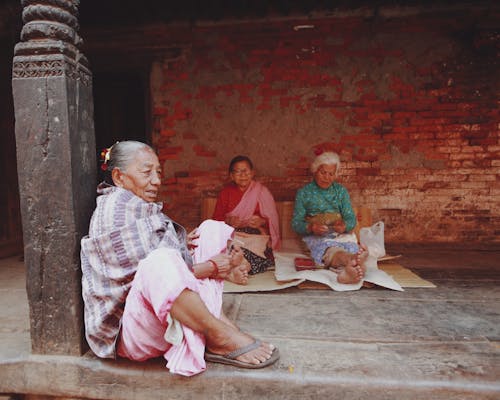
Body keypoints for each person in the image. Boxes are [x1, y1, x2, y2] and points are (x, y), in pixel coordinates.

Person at [80, 141, 279, 377]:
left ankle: (217, 322)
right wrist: (212, 267)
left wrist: (184, 244)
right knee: (159, 262)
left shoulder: (137, 204)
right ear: (119, 177)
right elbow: (146, 276)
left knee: (210, 230)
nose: (156, 180)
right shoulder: (117, 209)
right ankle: (218, 336)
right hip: (131, 332)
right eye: (146, 172)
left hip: (157, 312)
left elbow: (159, 251)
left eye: (158, 172)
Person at [291, 151, 368, 284]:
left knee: (350, 246)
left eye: (331, 174)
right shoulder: (304, 193)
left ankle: (351, 266)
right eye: (323, 172)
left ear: (335, 175)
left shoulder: (340, 191)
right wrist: (311, 227)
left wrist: (344, 226)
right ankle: (352, 262)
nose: (326, 177)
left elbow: (351, 219)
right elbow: (296, 223)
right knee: (331, 250)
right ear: (315, 170)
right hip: (316, 237)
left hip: (339, 235)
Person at [212, 155, 281, 275]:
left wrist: (262, 221)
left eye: (246, 171)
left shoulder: (262, 192)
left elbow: (273, 221)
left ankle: (241, 267)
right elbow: (215, 221)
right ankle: (242, 267)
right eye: (238, 172)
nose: (242, 175)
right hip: (233, 234)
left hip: (255, 235)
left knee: (257, 251)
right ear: (231, 176)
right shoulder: (226, 193)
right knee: (229, 247)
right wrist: (228, 221)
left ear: (252, 173)